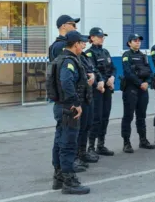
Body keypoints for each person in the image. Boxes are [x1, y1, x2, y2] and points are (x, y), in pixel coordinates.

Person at [51, 30, 90, 195]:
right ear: (75, 44)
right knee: (68, 143)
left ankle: (59, 177)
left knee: (60, 140)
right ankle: (69, 181)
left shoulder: (62, 58)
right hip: (69, 108)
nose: (83, 46)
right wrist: (76, 103)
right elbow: (66, 82)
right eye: (81, 43)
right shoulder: (69, 61)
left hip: (62, 107)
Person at [50, 15, 80, 180]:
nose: (75, 27)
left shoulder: (58, 46)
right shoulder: (61, 47)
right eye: (72, 24)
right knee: (66, 139)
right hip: (66, 102)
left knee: (61, 136)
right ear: (63, 26)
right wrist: (75, 101)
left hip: (62, 100)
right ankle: (64, 174)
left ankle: (60, 172)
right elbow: (65, 79)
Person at [120, 33, 155, 152]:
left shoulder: (143, 55)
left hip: (143, 89)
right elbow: (128, 72)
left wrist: (148, 82)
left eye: (139, 40)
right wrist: (140, 83)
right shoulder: (126, 55)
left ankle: (143, 140)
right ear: (129, 43)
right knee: (128, 116)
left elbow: (150, 72)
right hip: (131, 89)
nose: (137, 42)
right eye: (135, 40)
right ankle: (126, 142)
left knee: (141, 116)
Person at [86, 27, 117, 156]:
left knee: (105, 116)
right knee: (96, 118)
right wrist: (104, 80)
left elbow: (113, 68)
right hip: (97, 90)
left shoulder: (105, 52)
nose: (101, 38)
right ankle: (91, 146)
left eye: (103, 36)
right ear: (92, 38)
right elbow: (92, 70)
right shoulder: (89, 53)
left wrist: (112, 78)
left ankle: (101, 144)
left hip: (107, 89)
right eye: (99, 36)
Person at [75, 48, 103, 171]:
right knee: (78, 129)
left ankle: (82, 153)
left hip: (88, 95)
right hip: (79, 97)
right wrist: (90, 76)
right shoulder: (72, 58)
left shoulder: (85, 56)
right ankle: (75, 157)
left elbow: (93, 70)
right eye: (81, 42)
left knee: (87, 125)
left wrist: (98, 79)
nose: (83, 44)